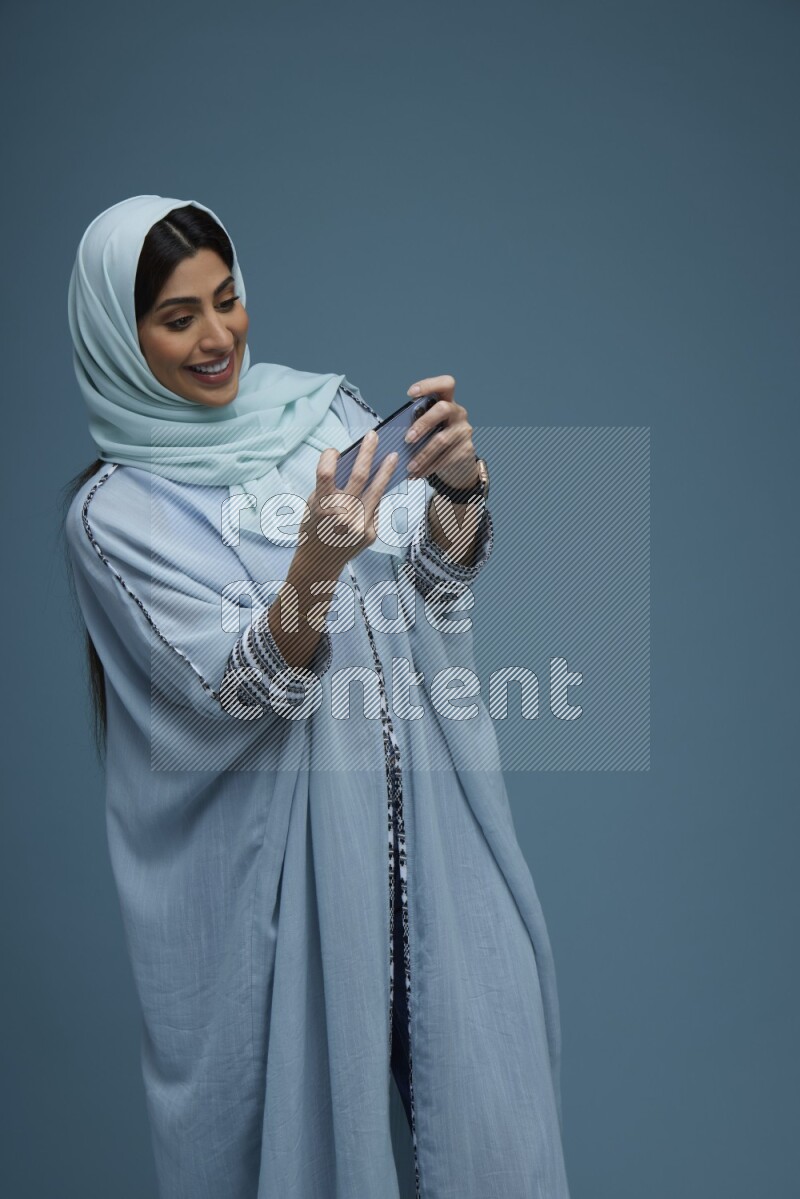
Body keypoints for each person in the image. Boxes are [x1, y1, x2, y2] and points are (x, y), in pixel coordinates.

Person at [62, 194, 570, 1199]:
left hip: (436, 848)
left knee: (492, 1133)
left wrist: (461, 492)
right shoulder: (115, 515)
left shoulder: (325, 415)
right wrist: (315, 562)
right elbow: (244, 685)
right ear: (122, 338)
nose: (217, 336)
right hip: (282, 893)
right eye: (177, 316)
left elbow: (439, 580)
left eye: (227, 297)